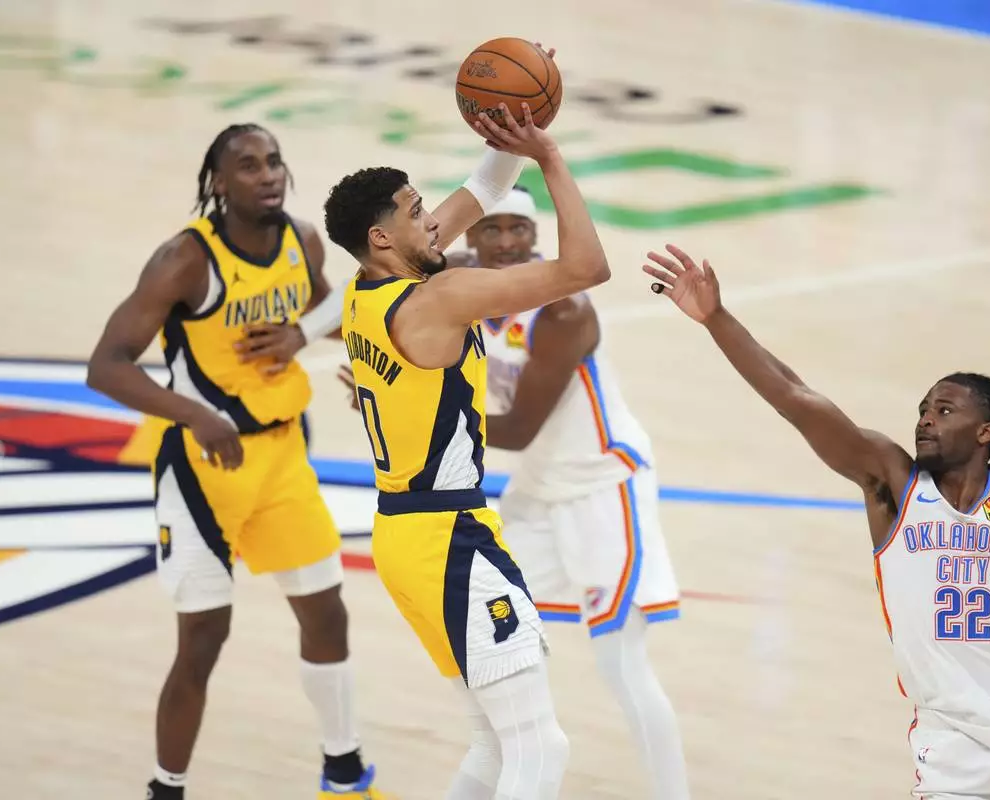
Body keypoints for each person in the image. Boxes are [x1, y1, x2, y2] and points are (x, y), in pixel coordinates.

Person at [643, 244, 990, 800]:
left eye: (944, 411)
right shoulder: (894, 485)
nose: (925, 420)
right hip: (955, 759)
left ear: (986, 432)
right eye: (923, 409)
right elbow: (794, 397)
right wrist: (716, 318)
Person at [338, 185, 689, 798]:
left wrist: (399, 402)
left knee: (615, 664)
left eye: (519, 230)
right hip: (497, 507)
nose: (505, 242)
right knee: (521, 740)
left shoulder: (558, 311)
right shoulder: (446, 286)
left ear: (535, 234)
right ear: (468, 239)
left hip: (600, 483)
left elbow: (521, 428)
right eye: (492, 229)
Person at [86, 123, 395, 800]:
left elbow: (335, 312)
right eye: (249, 165)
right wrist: (194, 413)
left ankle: (344, 775)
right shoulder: (184, 260)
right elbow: (105, 366)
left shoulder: (302, 241)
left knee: (327, 614)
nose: (268, 174)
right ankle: (166, 790)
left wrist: (311, 338)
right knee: (204, 637)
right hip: (203, 466)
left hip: (281, 456)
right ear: (219, 183)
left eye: (274, 161)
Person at [326, 101, 609, 800]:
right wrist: (550, 158)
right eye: (417, 210)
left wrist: (516, 120)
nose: (435, 220)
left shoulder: (366, 289)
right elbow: (586, 266)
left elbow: (483, 188)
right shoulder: (439, 298)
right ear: (381, 236)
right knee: (539, 746)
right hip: (448, 540)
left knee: (494, 743)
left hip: (405, 536)